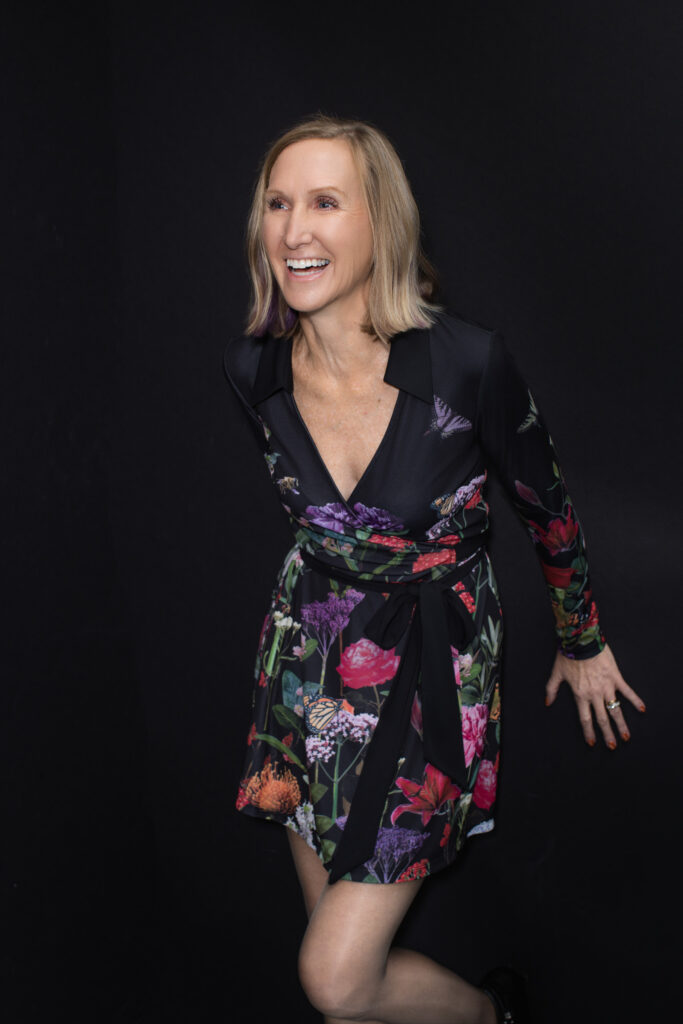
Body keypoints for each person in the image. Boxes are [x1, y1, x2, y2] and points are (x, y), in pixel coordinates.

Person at [222, 113, 645, 1024]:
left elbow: (546, 503)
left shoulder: (465, 364)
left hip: (428, 676)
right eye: (277, 203)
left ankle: (494, 1017)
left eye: (325, 203)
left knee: (335, 980)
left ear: (380, 221)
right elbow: (323, 525)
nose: (294, 230)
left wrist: (581, 640)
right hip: (308, 670)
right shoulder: (252, 369)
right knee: (344, 971)